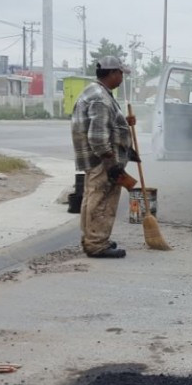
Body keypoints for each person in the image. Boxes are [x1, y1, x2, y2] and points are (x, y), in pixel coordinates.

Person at [71, 55, 137, 259]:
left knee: (93, 198)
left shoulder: (97, 92)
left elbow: (104, 124)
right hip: (102, 161)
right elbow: (98, 137)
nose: (122, 78)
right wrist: (112, 165)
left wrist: (124, 122)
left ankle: (92, 239)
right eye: (120, 74)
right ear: (112, 73)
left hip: (96, 160)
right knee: (102, 201)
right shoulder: (100, 98)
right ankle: (97, 244)